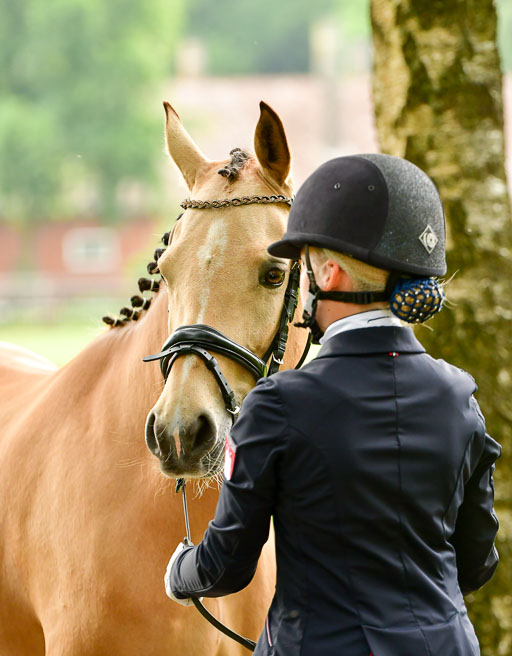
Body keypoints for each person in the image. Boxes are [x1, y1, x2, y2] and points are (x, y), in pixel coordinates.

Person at [164, 154, 501, 656]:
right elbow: (476, 560)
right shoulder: (459, 398)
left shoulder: (279, 405)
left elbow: (226, 566)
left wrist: (180, 571)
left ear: (333, 273)